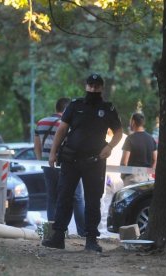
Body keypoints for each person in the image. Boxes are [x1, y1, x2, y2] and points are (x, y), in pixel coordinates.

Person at [42, 73, 123, 252]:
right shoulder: (75, 105)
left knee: (93, 200)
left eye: (97, 86)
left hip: (94, 161)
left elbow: (118, 132)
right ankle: (58, 237)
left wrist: (109, 147)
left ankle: (91, 240)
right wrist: (53, 153)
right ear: (86, 86)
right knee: (64, 197)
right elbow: (62, 129)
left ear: (101, 88)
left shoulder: (107, 108)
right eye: (91, 85)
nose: (93, 88)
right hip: (71, 159)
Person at [34, 98, 86, 236]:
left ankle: (53, 231)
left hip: (47, 165)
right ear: (67, 109)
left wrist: (41, 162)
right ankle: (82, 231)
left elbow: (37, 146)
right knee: (77, 197)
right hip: (66, 164)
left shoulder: (41, 122)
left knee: (52, 197)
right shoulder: (68, 123)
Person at [120, 112, 157, 186]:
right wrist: (149, 173)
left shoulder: (130, 139)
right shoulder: (151, 139)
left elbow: (124, 161)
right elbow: (155, 159)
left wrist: (123, 175)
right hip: (147, 179)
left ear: (133, 122)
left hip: (132, 179)